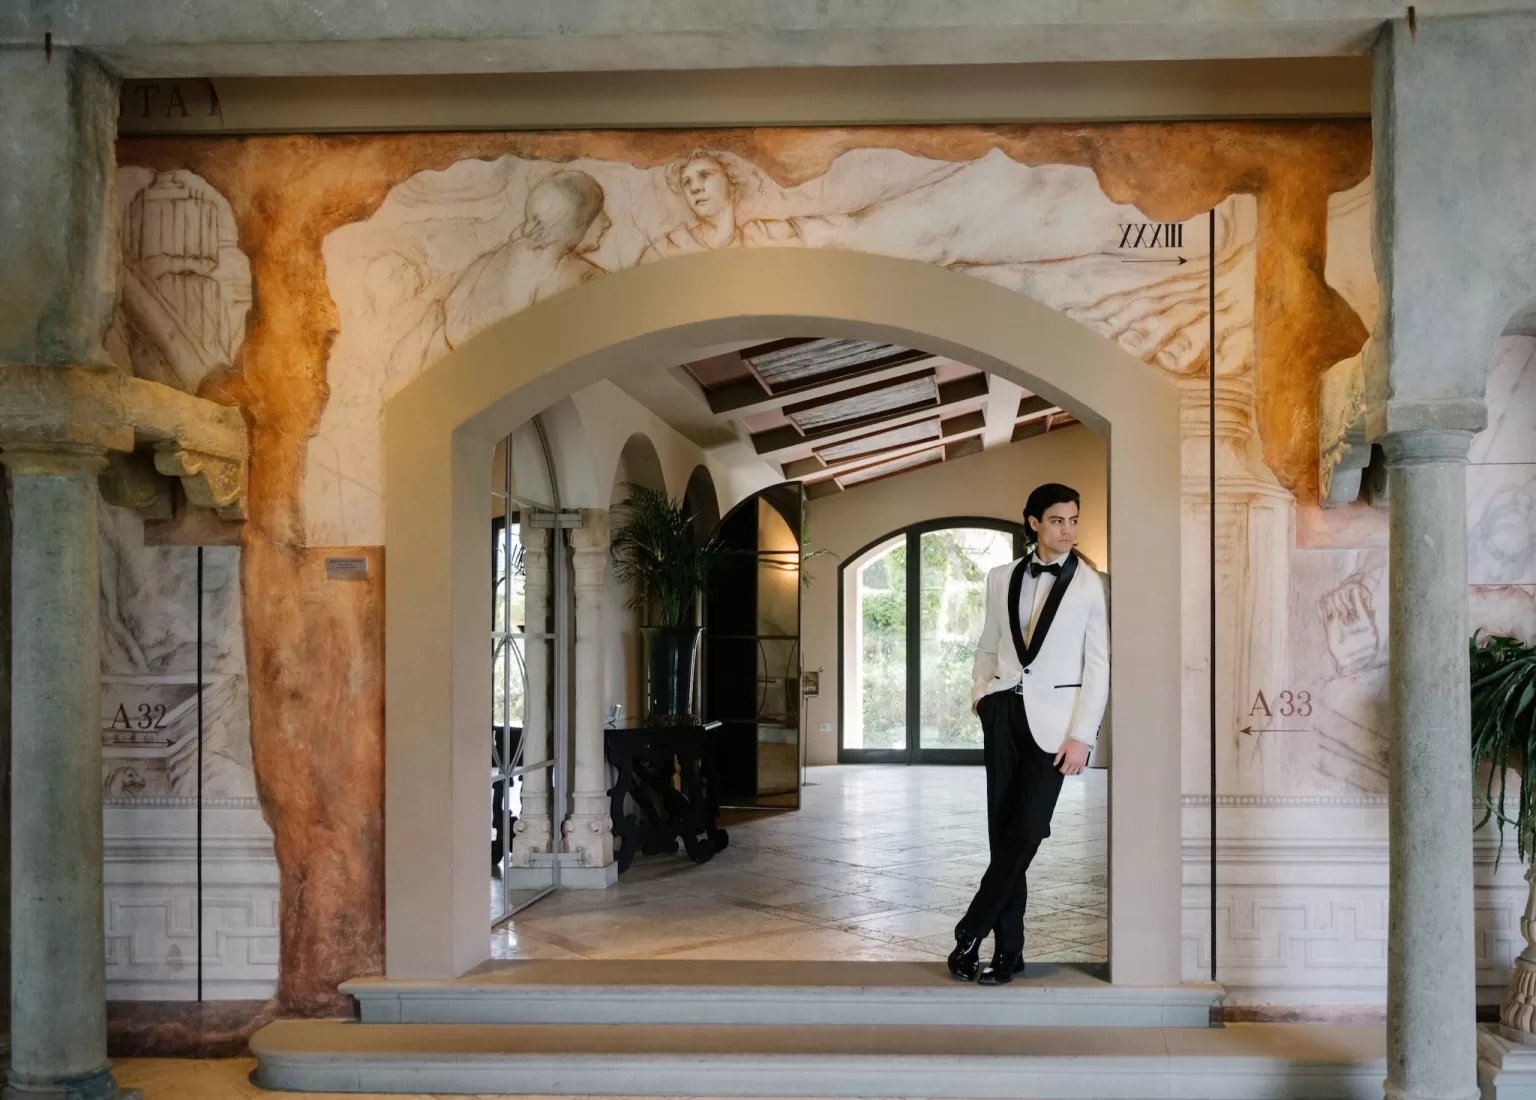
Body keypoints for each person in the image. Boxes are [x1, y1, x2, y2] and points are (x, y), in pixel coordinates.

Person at [948, 483, 1109, 985]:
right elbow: (987, 644)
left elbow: (1099, 665)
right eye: (1058, 520)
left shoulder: (1090, 584)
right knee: (1004, 835)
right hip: (1003, 714)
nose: (1068, 530)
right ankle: (1007, 953)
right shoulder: (1000, 577)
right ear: (1034, 522)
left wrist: (1083, 735)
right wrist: (981, 695)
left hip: (1056, 728)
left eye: (1074, 520)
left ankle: (970, 930)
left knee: (1027, 830)